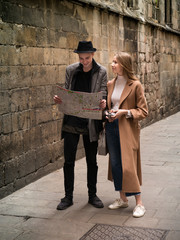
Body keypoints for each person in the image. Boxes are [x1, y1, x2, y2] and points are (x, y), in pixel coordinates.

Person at [54, 41, 107, 210]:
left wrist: (103, 102)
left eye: (87, 58)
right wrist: (60, 99)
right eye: (81, 58)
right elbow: (67, 91)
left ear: (93, 55)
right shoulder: (71, 70)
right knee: (69, 161)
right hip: (71, 121)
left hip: (90, 122)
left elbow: (103, 92)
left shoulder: (101, 72)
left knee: (92, 160)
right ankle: (67, 197)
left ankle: (93, 195)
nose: (84, 61)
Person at [105, 52, 148, 218]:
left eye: (115, 62)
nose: (113, 65)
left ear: (124, 64)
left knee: (129, 166)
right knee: (116, 164)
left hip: (127, 130)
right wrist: (107, 109)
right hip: (111, 127)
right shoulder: (110, 83)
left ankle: (139, 203)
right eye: (113, 62)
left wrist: (125, 112)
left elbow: (143, 111)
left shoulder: (135, 85)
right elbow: (111, 104)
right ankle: (123, 199)